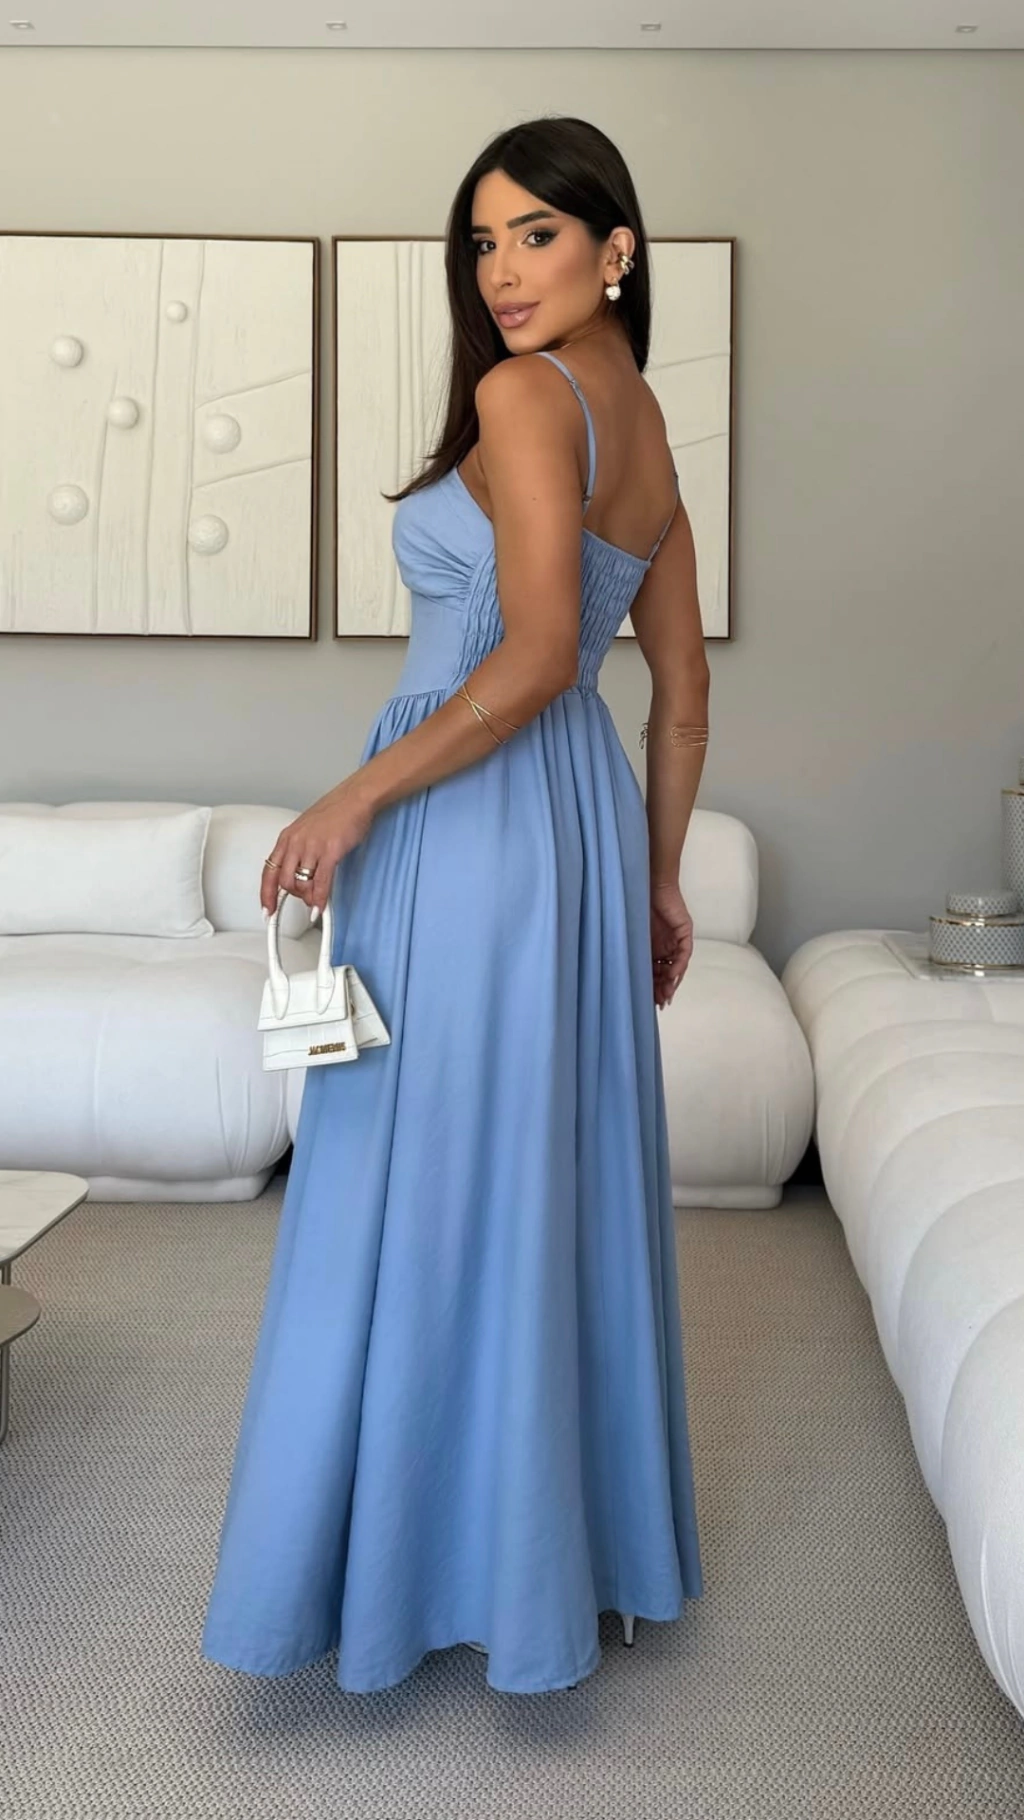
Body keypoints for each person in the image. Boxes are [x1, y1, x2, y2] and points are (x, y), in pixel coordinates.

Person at [201, 114, 710, 1697]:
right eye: (483, 242)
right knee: (531, 1169)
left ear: (617, 250)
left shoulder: (524, 394)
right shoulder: (646, 425)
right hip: (570, 822)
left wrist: (354, 794)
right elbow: (680, 700)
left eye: (536, 234)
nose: (501, 270)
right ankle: (544, 1562)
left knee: (407, 1171)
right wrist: (657, 874)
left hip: (467, 817)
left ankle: (406, 1576)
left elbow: (540, 652)